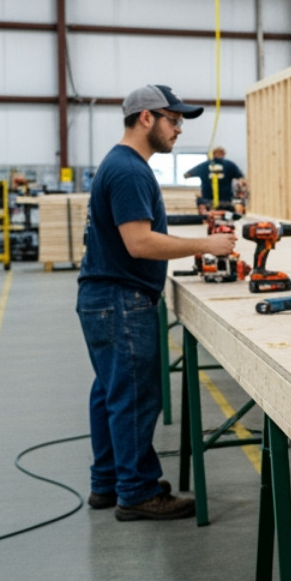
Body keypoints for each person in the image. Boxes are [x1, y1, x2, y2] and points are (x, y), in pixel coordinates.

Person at [79, 85, 238, 521]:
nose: (179, 129)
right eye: (173, 120)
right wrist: (207, 244)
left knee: (110, 392)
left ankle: (108, 482)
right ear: (146, 118)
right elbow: (139, 242)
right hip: (120, 299)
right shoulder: (130, 170)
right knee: (134, 395)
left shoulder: (121, 164)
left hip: (103, 297)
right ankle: (136, 492)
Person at [185, 146, 246, 212]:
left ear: (213, 154)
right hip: (226, 201)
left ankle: (208, 219)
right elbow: (241, 178)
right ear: (224, 154)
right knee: (227, 216)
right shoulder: (230, 165)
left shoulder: (204, 165)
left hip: (208, 201)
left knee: (208, 215)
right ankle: (227, 219)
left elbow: (187, 175)